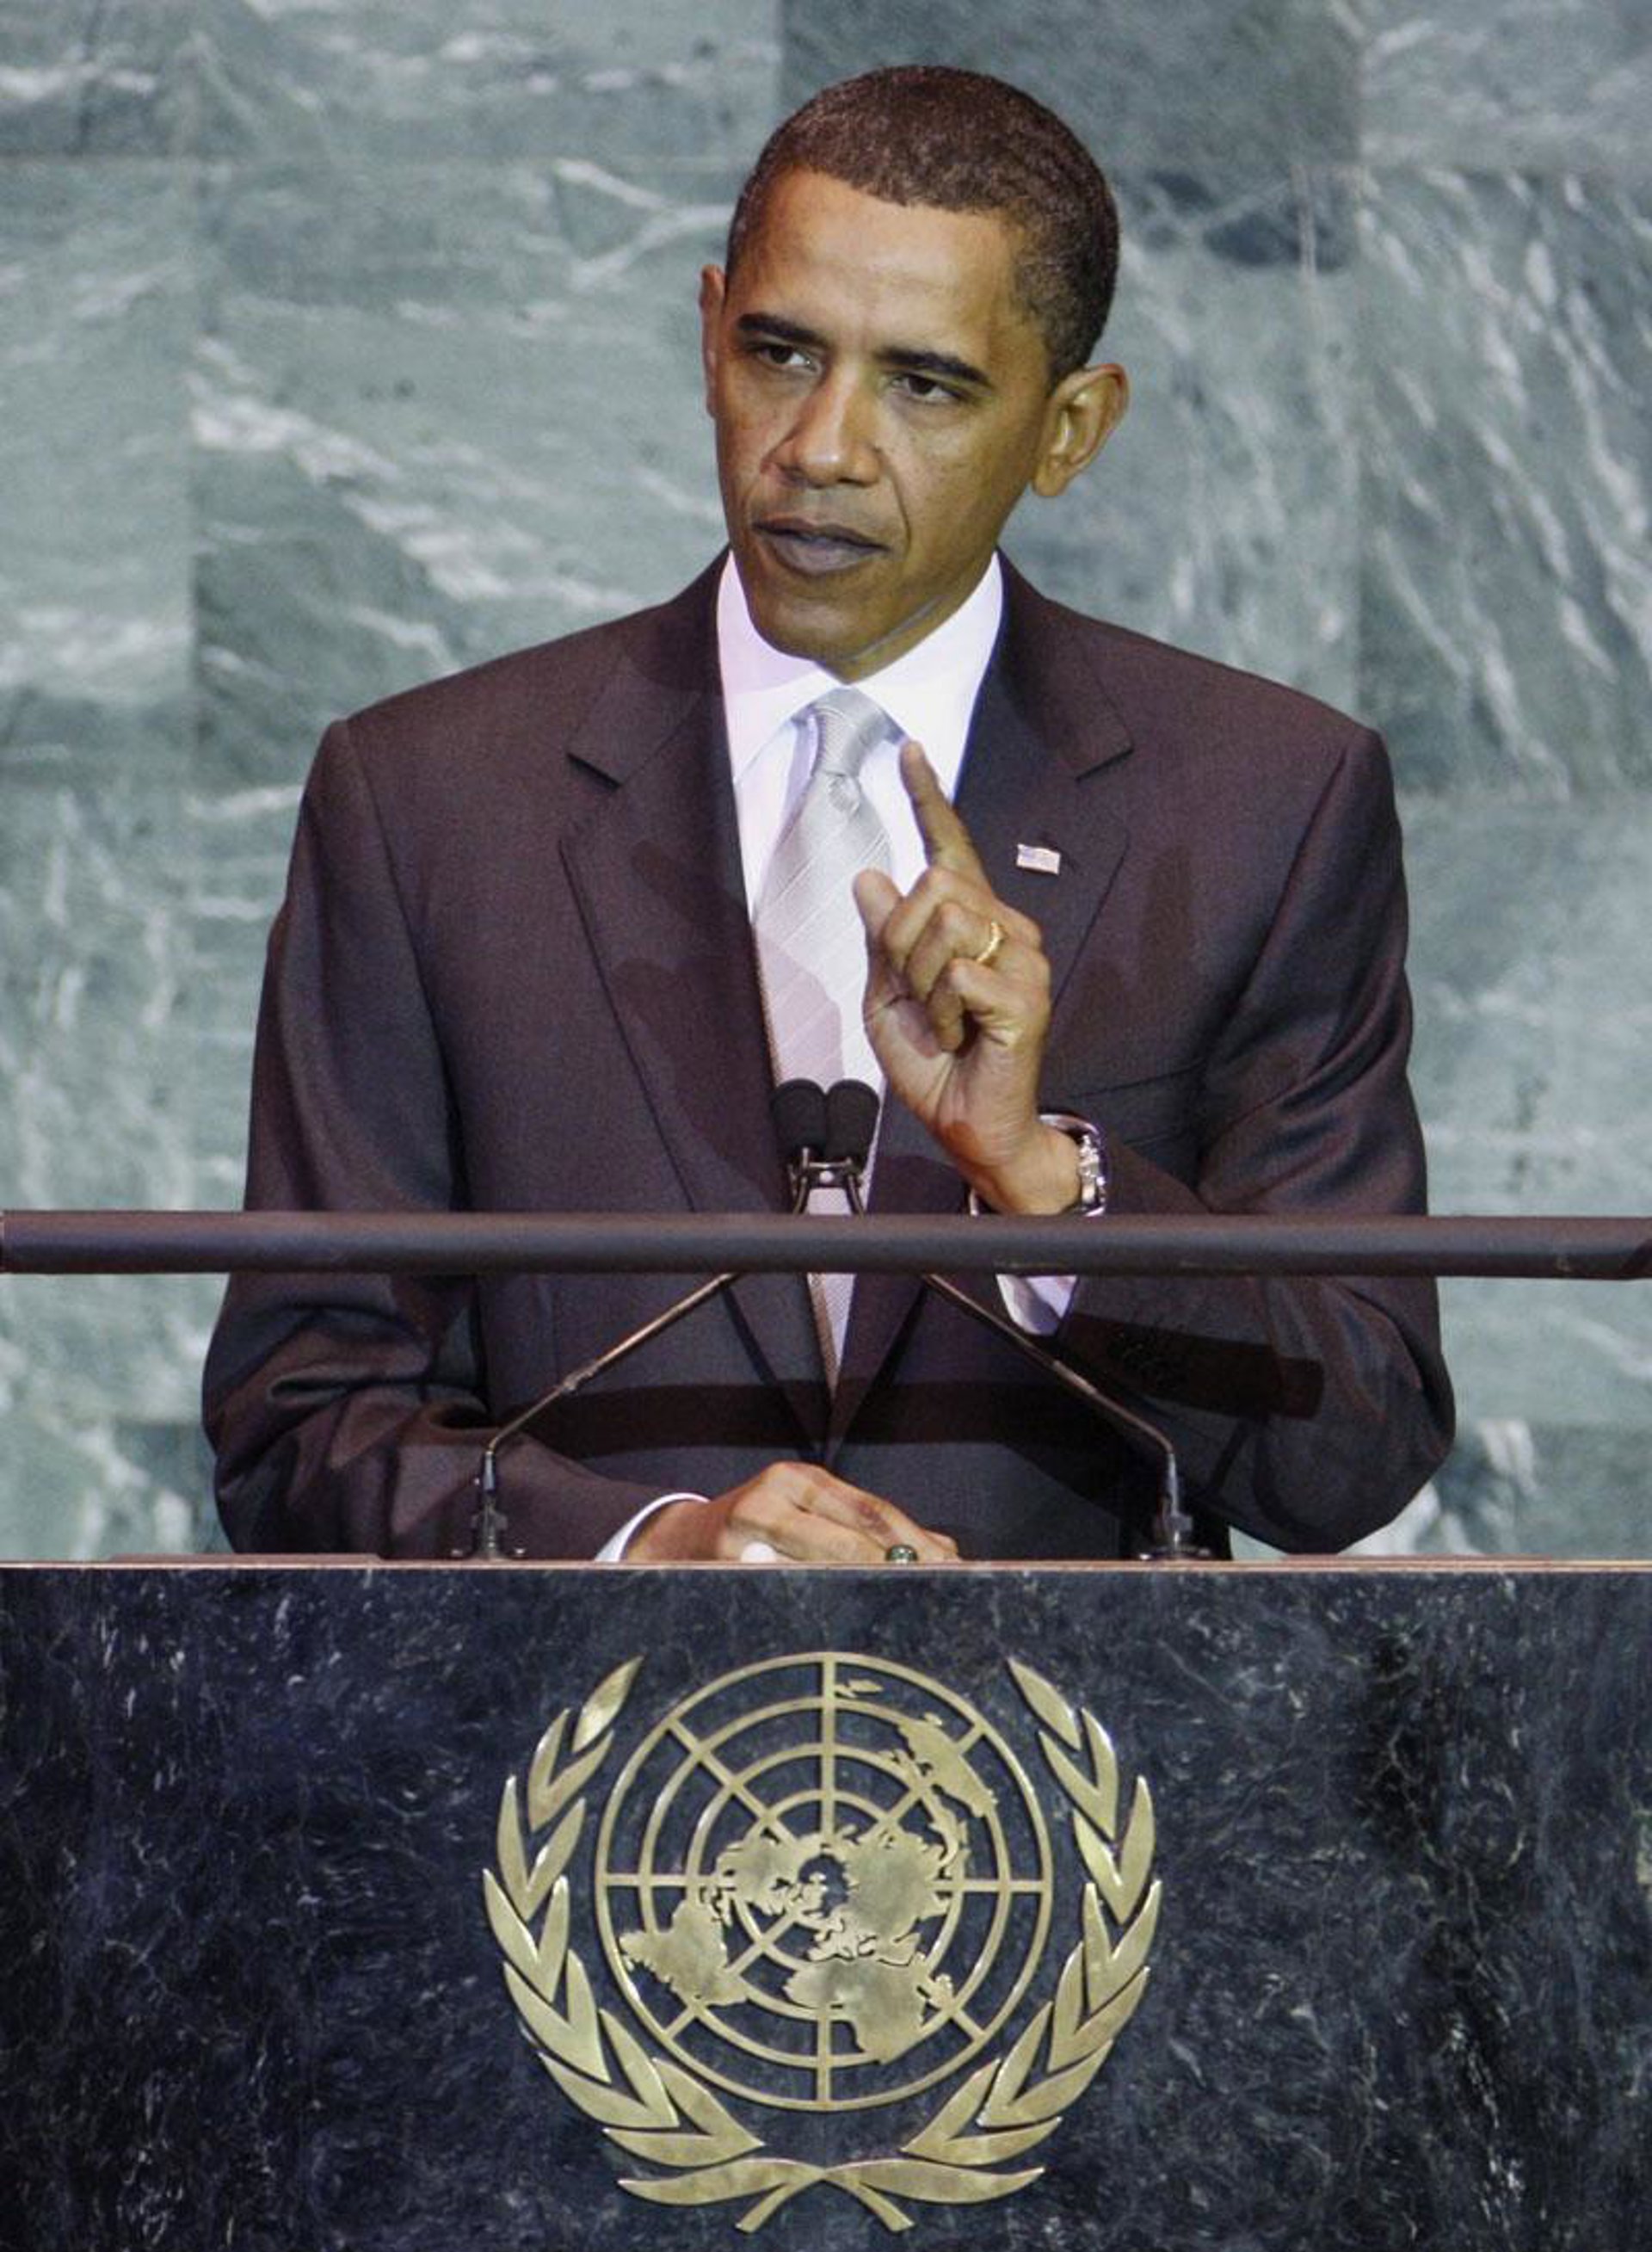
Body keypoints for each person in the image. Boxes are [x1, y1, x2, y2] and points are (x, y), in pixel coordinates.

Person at [203, 66, 1453, 1566]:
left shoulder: (1264, 804)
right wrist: (646, 1547)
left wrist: (1049, 1190)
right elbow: (302, 1417)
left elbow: (1353, 1447)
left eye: (925, 385)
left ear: (1069, 429)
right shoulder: (429, 800)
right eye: (781, 353)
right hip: (569, 1714)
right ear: (709, 336)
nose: (824, 446)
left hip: (1056, 1715)